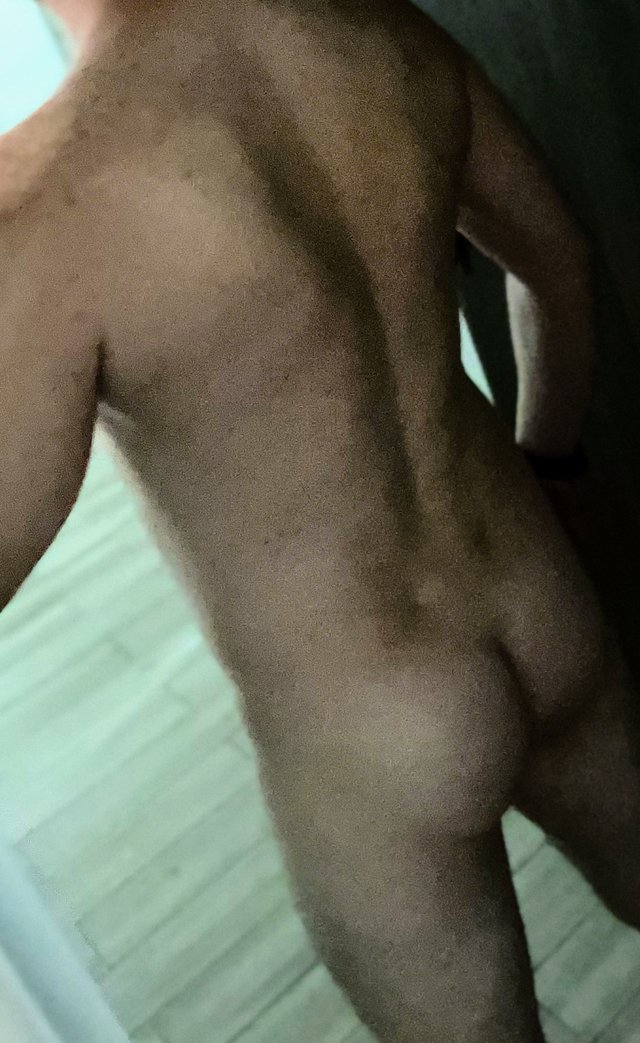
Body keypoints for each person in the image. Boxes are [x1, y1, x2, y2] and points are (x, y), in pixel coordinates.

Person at [1, 1, 639, 1039]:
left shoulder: (48, 199)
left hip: (374, 724)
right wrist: (552, 456)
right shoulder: (382, 37)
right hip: (542, 604)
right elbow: (556, 265)